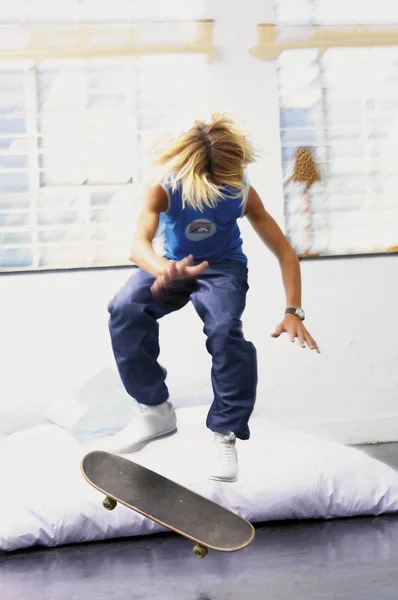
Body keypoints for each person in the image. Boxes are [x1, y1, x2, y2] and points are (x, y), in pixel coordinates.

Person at [101, 114, 320, 482]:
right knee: (124, 309)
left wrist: (293, 310)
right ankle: (155, 411)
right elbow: (138, 245)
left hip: (223, 267)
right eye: (213, 182)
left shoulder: (241, 191)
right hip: (170, 264)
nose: (221, 187)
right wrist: (162, 270)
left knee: (224, 329)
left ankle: (226, 432)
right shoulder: (163, 187)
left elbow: (284, 250)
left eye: (226, 181)